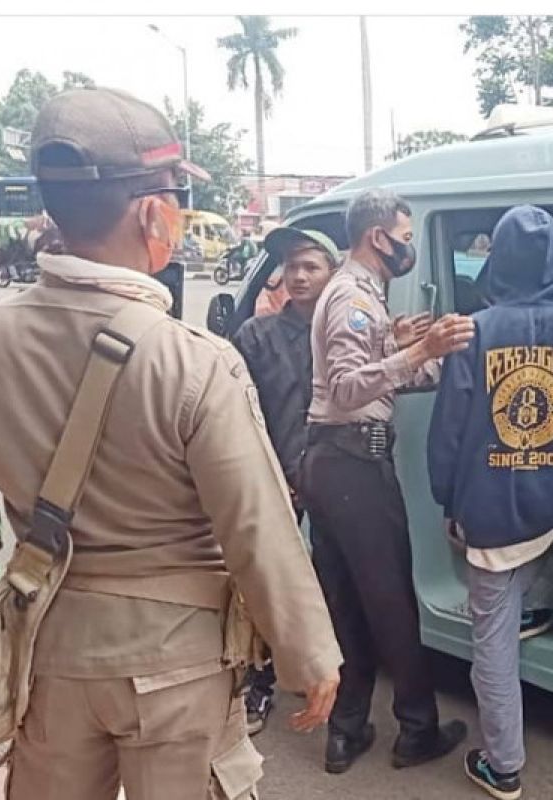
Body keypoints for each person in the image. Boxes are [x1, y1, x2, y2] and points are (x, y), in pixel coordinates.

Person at [0, 87, 342, 799]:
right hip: (177, 666)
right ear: (153, 213)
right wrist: (311, 655)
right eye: (176, 195)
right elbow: (256, 528)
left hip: (51, 651)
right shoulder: (194, 360)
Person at [427, 206, 553, 800]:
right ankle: (526, 607)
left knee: (492, 652)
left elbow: (450, 432)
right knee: (524, 570)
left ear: (497, 259)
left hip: (487, 503)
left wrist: (445, 499)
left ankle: (502, 765)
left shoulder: (472, 331)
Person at [299, 188, 473, 774]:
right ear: (379, 237)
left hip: (335, 463)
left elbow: (379, 377)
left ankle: (346, 730)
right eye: (404, 236)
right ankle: (417, 729)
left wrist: (417, 353)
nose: (408, 247)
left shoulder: (363, 297)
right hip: (352, 464)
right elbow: (350, 388)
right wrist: (419, 348)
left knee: (346, 601)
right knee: (392, 602)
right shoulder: (351, 296)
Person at [231, 226, 340, 734]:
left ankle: (335, 679)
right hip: (273, 475)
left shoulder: (347, 331)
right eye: (292, 266)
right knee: (264, 584)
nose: (299, 276)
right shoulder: (256, 336)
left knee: (336, 579)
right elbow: (235, 412)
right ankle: (258, 685)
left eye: (311, 266)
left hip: (338, 476)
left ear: (332, 273)